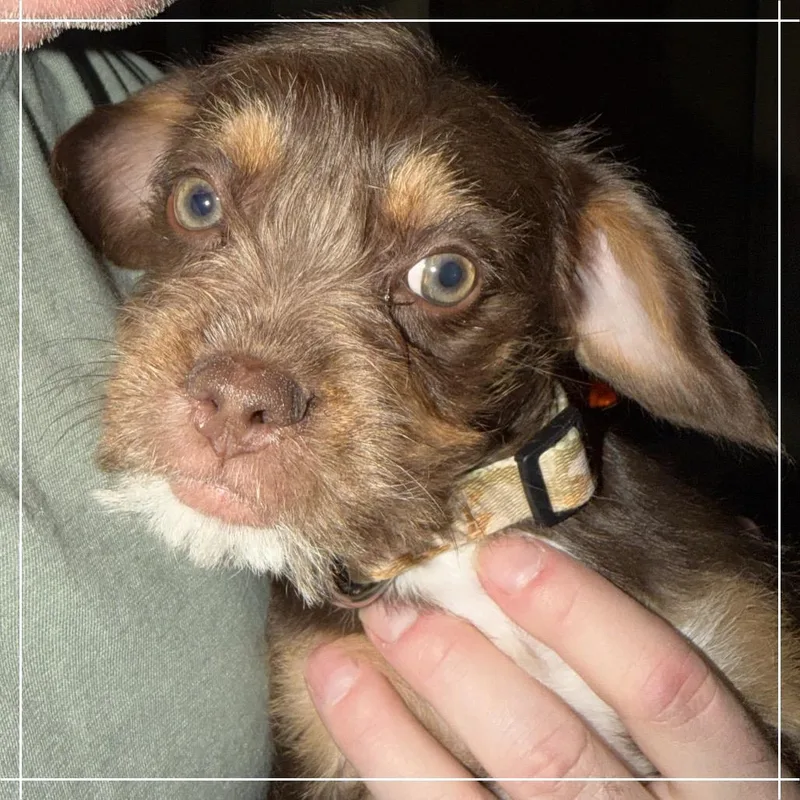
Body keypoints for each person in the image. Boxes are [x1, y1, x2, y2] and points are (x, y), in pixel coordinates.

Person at [2, 6, 792, 798]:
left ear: (583, 286)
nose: (241, 389)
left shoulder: (709, 582)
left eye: (442, 278)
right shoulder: (313, 648)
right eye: (201, 204)